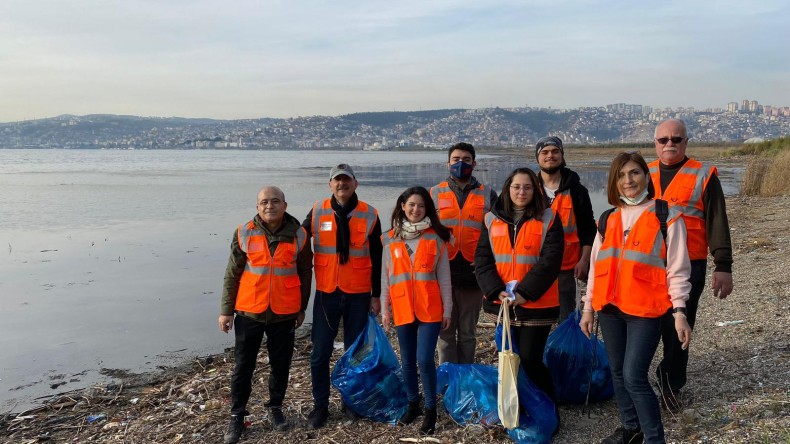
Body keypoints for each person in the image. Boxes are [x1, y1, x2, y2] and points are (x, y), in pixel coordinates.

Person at [580, 152, 693, 444]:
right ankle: (631, 429)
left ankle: (655, 438)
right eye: (621, 175)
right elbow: (595, 267)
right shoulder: (607, 219)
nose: (628, 180)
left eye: (634, 173)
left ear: (646, 176)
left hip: (646, 310)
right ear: (613, 182)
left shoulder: (666, 216)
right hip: (610, 309)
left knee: (634, 375)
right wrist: (588, 308)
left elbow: (678, 269)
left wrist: (680, 312)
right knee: (617, 372)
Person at [649, 118, 734, 412]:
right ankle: (635, 381)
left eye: (676, 139)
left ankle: (671, 383)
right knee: (648, 322)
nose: (670, 144)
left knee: (680, 325)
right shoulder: (643, 173)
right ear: (655, 143)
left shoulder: (703, 174)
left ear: (686, 142)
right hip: (649, 263)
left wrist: (722, 265)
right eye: (663, 140)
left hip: (690, 264)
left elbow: (717, 221)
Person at [219, 186, 313, 444]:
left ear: (285, 205)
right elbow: (232, 273)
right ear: (257, 206)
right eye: (264, 202)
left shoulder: (300, 235)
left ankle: (275, 408)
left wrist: (302, 307)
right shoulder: (244, 232)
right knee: (242, 367)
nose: (269, 206)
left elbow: (306, 273)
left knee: (281, 364)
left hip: (284, 312)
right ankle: (237, 415)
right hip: (250, 311)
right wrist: (226, 311)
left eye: (274, 201)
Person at [302, 163, 383, 430]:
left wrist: (376, 295)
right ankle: (320, 405)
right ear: (330, 185)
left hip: (359, 293)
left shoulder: (370, 214)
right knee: (320, 352)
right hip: (327, 293)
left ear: (355, 183)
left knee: (355, 352)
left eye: (346, 180)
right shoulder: (317, 211)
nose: (342, 184)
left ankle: (351, 402)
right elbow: (297, 239)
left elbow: (377, 256)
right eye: (337, 180)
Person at [475, 167, 564, 407]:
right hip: (503, 303)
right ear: (508, 189)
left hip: (537, 303)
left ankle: (547, 403)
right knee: (508, 358)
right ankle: (517, 405)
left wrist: (525, 293)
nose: (521, 192)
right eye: (516, 186)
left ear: (535, 190)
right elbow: (482, 259)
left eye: (527, 187)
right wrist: (494, 290)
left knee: (529, 358)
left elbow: (551, 261)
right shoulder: (491, 219)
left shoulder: (549, 218)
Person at [381, 186, 453, 435]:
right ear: (402, 206)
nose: (415, 210)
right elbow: (386, 278)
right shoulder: (390, 238)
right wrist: (384, 309)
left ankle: (431, 409)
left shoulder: (435, 238)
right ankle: (414, 404)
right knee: (407, 361)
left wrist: (448, 309)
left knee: (424, 359)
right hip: (402, 307)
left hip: (430, 308)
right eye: (411, 205)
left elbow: (444, 277)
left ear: (427, 210)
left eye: (421, 206)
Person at [429, 142, 497, 364]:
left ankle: (466, 378)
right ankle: (448, 380)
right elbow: (423, 231)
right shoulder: (434, 193)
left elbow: (497, 234)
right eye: (456, 159)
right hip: (442, 274)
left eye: (466, 160)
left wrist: (488, 266)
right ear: (448, 163)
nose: (461, 164)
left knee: (467, 334)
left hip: (472, 275)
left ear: (474, 163)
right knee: (445, 333)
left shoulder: (488, 194)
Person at [534, 136, 597, 321]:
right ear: (537, 158)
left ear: (562, 155)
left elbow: (588, 229)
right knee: (535, 317)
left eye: (555, 151)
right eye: (544, 152)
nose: (550, 156)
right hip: (532, 265)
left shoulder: (577, 191)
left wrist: (584, 261)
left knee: (566, 318)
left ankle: (565, 350)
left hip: (567, 268)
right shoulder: (527, 189)